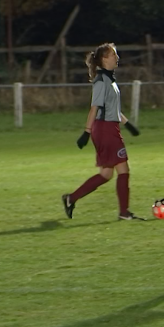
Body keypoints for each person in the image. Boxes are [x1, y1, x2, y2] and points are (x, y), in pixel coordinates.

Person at [62, 43, 144, 221]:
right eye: (114, 55)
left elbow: (112, 108)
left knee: (106, 174)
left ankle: (71, 198)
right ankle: (124, 213)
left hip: (109, 127)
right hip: (105, 129)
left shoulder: (109, 80)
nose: (117, 58)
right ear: (105, 59)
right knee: (123, 170)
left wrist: (128, 124)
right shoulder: (101, 81)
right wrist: (86, 132)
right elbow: (95, 108)